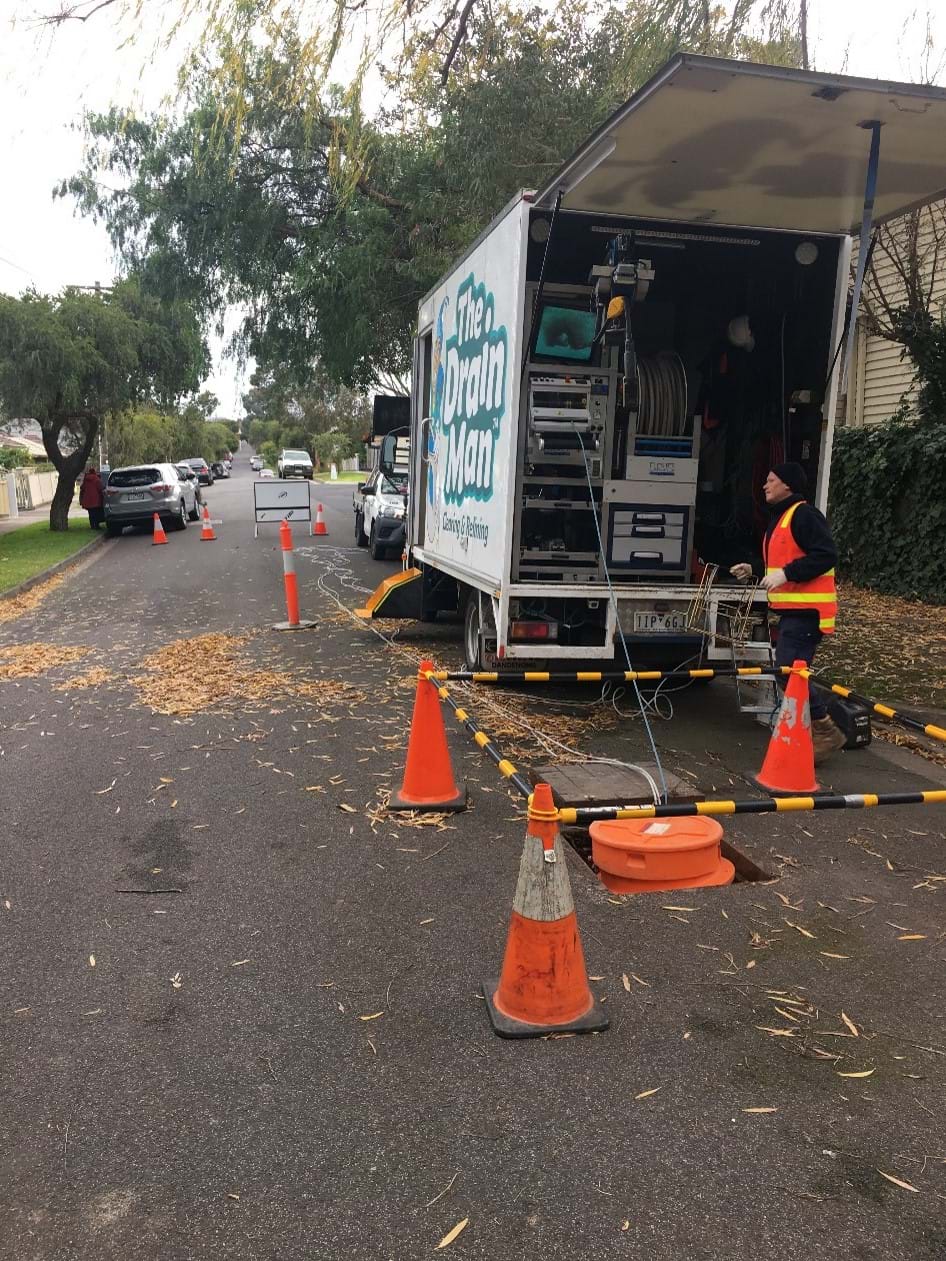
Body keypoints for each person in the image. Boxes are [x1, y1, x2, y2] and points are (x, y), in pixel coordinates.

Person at [730, 461, 845, 761]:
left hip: (807, 612)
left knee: (790, 672)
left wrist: (786, 574)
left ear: (788, 485)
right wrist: (754, 568)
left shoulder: (804, 515)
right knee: (790, 673)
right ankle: (814, 731)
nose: (764, 485)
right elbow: (781, 562)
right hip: (793, 612)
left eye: (771, 480)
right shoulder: (782, 518)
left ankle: (825, 730)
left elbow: (826, 555)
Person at [79, 465, 104, 530]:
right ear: (94, 472)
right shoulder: (96, 479)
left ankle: (92, 526)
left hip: (87, 500)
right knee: (96, 513)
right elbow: (100, 488)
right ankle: (96, 526)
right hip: (95, 499)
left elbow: (82, 487)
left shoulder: (86, 479)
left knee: (90, 514)